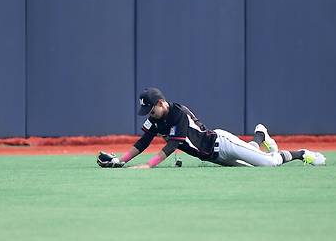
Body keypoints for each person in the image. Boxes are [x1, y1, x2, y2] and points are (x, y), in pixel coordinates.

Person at [97, 87, 326, 169]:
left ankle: (302, 154)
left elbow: (172, 145)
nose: (150, 115)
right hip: (215, 158)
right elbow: (143, 142)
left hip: (222, 143)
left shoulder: (178, 115)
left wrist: (148, 165)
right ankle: (260, 135)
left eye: (151, 110)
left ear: (160, 103)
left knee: (268, 162)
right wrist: (121, 161)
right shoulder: (156, 119)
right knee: (251, 161)